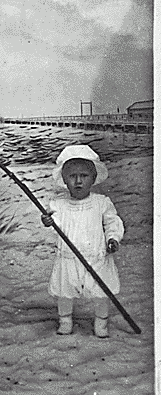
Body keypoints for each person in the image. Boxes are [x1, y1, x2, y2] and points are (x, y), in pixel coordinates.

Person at [41, 144, 124, 338]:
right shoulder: (58, 204)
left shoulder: (101, 202)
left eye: (84, 176)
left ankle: (101, 323)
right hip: (69, 257)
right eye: (72, 176)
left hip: (96, 256)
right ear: (64, 180)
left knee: (102, 291)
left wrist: (113, 238)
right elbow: (56, 223)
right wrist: (47, 221)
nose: (78, 181)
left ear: (93, 178)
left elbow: (113, 222)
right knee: (65, 291)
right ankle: (65, 321)